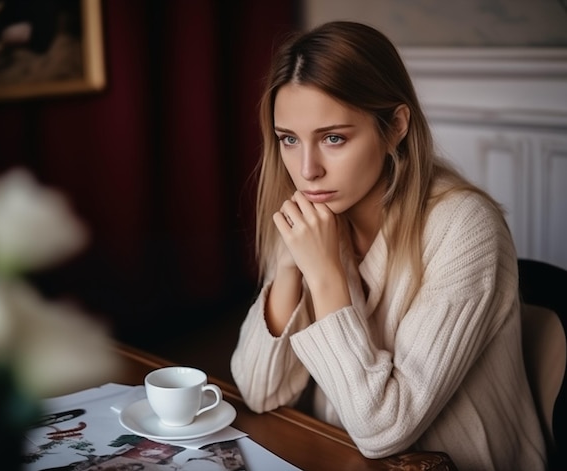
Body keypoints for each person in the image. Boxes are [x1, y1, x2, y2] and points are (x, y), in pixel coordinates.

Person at [230, 21, 546, 470]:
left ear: (395, 126)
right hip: (340, 456)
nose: (306, 170)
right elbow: (259, 391)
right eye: (289, 140)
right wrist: (288, 269)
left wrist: (324, 275)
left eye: (333, 138)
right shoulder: (317, 220)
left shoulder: (465, 227)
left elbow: (383, 430)